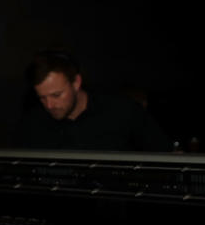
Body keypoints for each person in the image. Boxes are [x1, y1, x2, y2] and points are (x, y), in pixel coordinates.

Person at [15, 49, 171, 151]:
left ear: (76, 82)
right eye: (42, 98)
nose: (49, 105)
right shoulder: (33, 123)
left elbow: (162, 154)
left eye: (57, 95)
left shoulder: (122, 111)